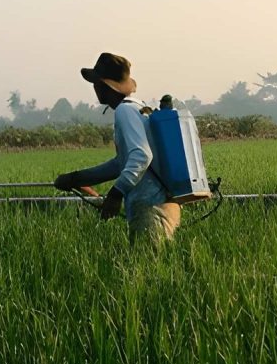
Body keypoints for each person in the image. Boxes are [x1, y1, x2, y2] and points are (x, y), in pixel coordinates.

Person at [53, 53, 181, 246]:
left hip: (150, 206)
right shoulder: (138, 108)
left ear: (105, 85)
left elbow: (141, 156)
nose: (94, 87)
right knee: (150, 262)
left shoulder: (125, 110)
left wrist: (115, 194)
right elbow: (121, 163)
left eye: (96, 83)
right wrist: (76, 178)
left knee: (146, 263)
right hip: (159, 202)